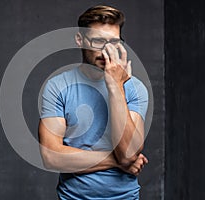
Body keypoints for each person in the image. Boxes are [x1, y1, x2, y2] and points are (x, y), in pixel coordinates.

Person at [38, 5, 149, 199]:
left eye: (114, 43)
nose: (107, 51)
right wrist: (116, 161)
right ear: (80, 40)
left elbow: (129, 152)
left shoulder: (134, 88)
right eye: (98, 41)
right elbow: (51, 157)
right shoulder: (57, 87)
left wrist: (115, 86)